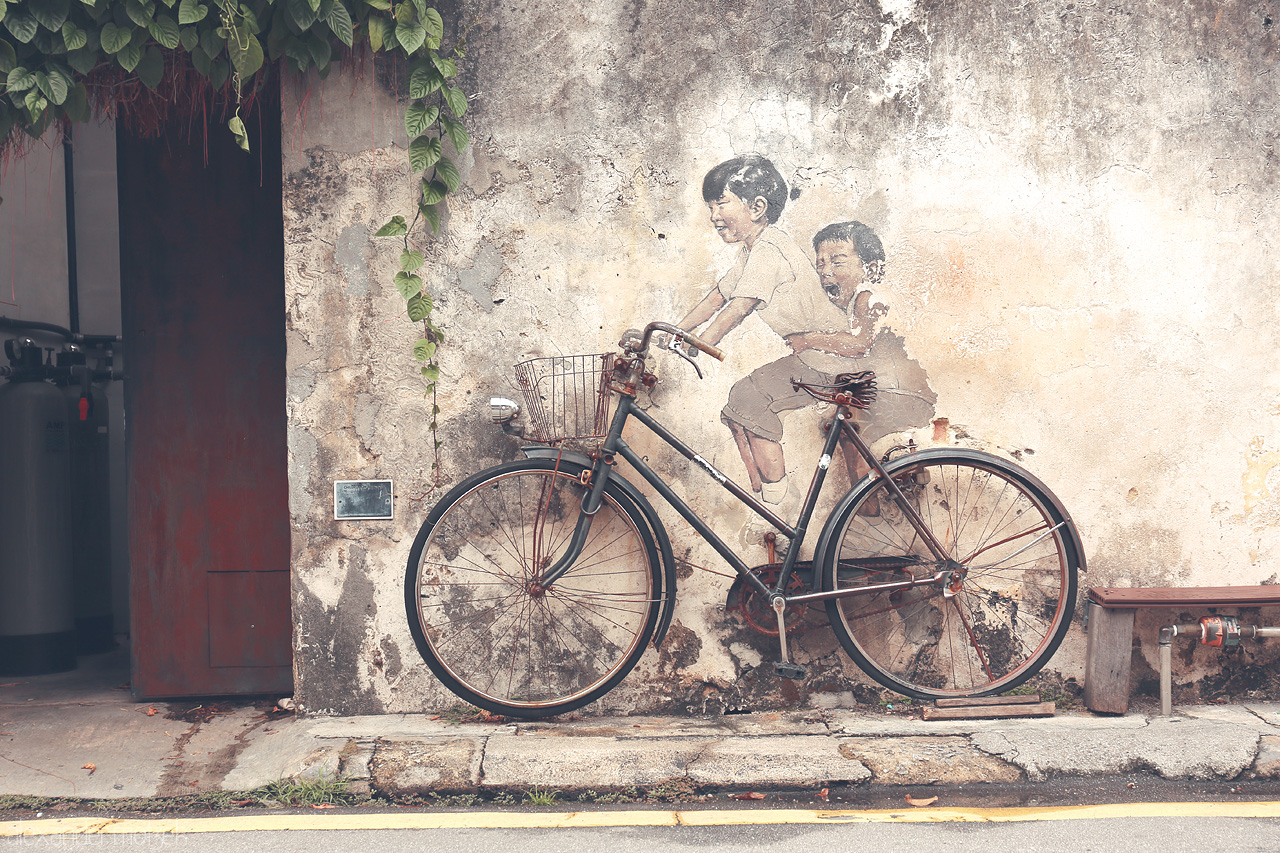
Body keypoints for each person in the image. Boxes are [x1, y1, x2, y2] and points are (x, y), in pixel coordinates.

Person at [674, 155, 852, 505]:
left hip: (827, 359)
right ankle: (766, 494)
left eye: (721, 203)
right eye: (710, 207)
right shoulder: (753, 250)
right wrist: (673, 330)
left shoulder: (771, 248)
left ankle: (779, 500)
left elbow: (740, 306)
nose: (713, 216)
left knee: (749, 398)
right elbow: (717, 297)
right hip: (812, 358)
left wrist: (702, 341)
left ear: (756, 207)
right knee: (741, 403)